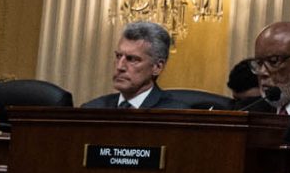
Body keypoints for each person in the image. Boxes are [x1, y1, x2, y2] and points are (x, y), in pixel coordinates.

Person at [81, 21, 209, 111]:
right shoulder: (91, 110)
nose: (120, 67)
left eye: (132, 59)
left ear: (157, 67)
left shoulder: (175, 114)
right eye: (118, 56)